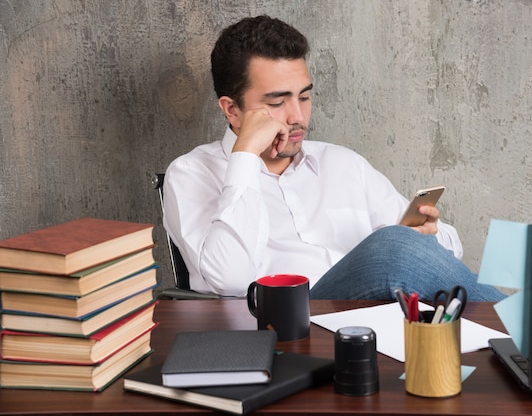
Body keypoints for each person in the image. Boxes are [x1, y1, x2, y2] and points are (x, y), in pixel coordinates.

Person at [163, 15, 504, 302]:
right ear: (232, 110)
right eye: (278, 102)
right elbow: (232, 280)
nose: (297, 116)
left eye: (305, 96)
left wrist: (424, 235)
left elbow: (448, 248)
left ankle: (530, 340)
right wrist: (245, 158)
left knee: (398, 243)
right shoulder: (190, 174)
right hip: (278, 328)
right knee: (393, 246)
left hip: (368, 324)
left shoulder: (342, 164)